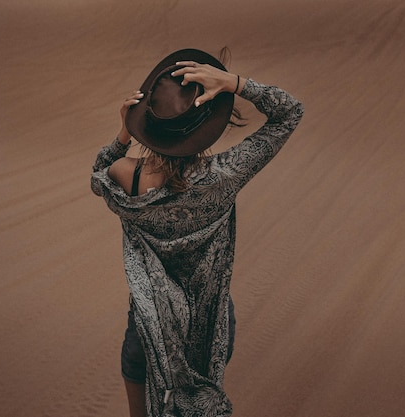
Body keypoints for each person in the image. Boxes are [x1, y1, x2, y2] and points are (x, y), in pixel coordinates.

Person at [91, 48, 304, 417]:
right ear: (204, 127)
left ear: (149, 124)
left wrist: (124, 132)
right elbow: (290, 113)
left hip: (148, 327)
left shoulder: (127, 175)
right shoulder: (224, 176)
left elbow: (98, 174)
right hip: (209, 328)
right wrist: (235, 83)